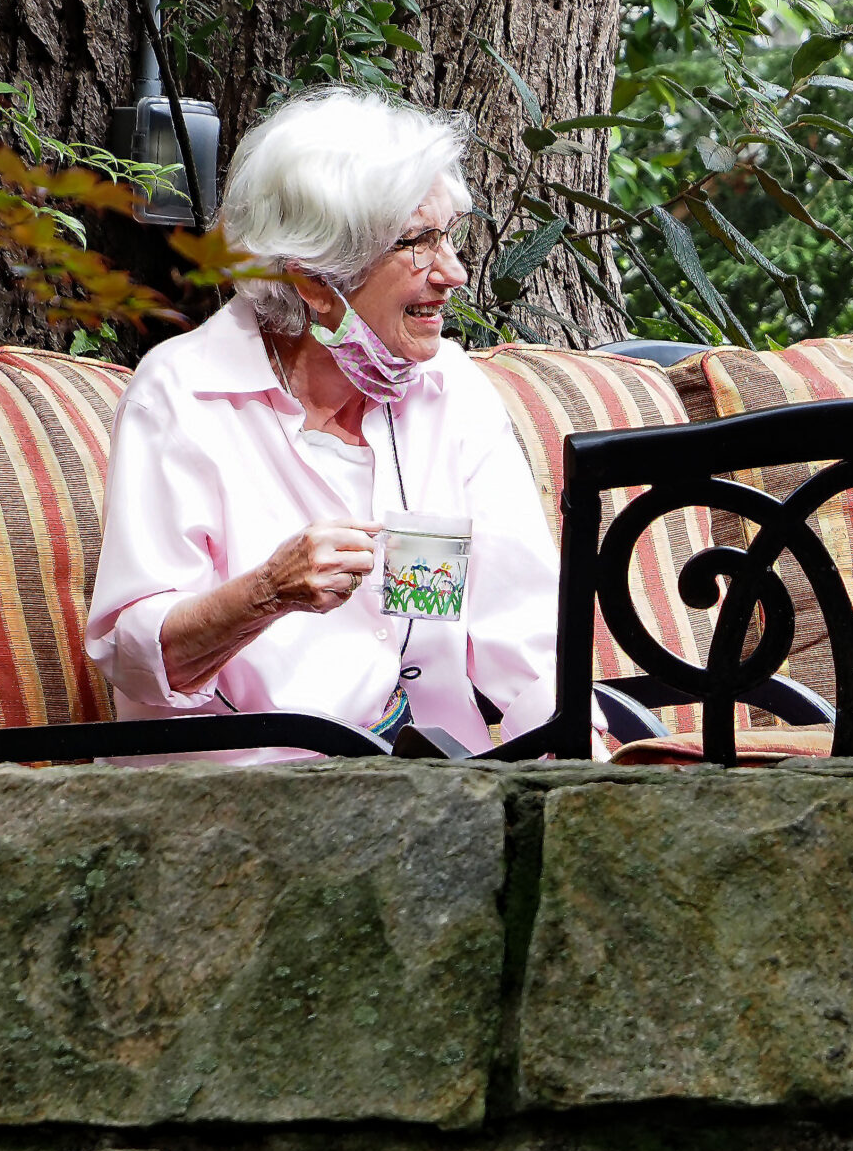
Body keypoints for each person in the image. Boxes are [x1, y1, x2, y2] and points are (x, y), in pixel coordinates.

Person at [86, 86, 577, 763]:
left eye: (451, 237)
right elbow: (137, 659)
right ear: (316, 282)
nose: (455, 273)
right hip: (241, 810)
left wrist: (592, 778)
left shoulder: (450, 390)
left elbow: (529, 641)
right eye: (418, 243)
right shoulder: (182, 395)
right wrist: (265, 593)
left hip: (439, 797)